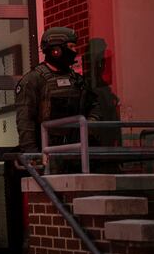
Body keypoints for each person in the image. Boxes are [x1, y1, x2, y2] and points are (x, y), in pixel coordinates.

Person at [15, 26, 102, 172]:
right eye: (71, 46)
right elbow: (25, 121)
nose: (74, 51)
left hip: (77, 155)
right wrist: (34, 156)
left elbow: (94, 105)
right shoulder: (33, 81)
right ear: (56, 50)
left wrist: (90, 125)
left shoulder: (77, 80)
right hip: (49, 156)